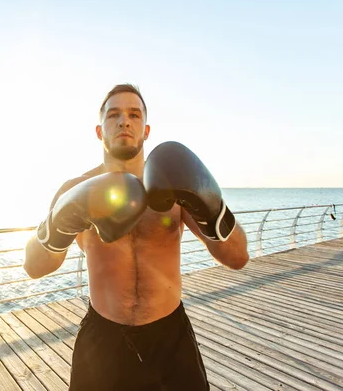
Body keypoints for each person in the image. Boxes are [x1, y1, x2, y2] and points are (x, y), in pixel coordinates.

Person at [22, 84, 249, 390]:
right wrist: (57, 225)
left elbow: (237, 257)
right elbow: (34, 267)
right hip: (102, 341)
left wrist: (212, 207)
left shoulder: (173, 184)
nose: (124, 121)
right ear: (100, 131)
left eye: (134, 114)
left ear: (146, 129)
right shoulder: (77, 190)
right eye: (113, 115)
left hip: (171, 338)